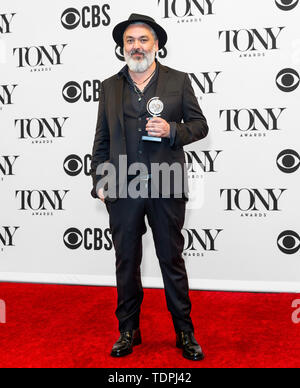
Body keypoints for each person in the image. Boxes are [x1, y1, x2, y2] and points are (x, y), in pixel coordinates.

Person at [90, 14, 209, 361]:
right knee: (126, 259)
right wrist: (100, 179)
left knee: (171, 259)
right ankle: (127, 330)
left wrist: (172, 130)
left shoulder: (178, 80)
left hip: (165, 182)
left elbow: (199, 126)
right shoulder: (109, 86)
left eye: (144, 39)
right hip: (122, 184)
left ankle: (184, 332)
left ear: (156, 44)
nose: (136, 45)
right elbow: (102, 139)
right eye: (130, 40)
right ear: (122, 47)